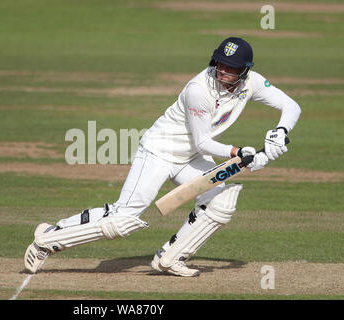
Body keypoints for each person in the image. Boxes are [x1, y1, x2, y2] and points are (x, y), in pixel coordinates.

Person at [24, 37, 301, 277]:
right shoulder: (199, 89)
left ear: (245, 70)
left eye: (231, 68)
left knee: (221, 202)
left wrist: (280, 131)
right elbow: (203, 141)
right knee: (123, 220)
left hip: (189, 158)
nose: (223, 72)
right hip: (159, 152)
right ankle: (48, 239)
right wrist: (238, 153)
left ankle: (170, 258)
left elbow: (291, 106)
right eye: (220, 64)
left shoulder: (251, 83)